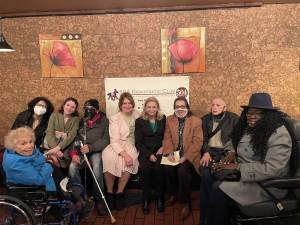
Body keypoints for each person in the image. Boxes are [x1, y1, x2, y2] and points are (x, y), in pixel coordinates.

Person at [199, 93, 296, 225]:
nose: (251, 116)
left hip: (265, 184)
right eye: (249, 112)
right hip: (245, 174)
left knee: (218, 188)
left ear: (268, 115)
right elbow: (234, 142)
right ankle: (205, 220)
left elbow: (274, 169)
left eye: (258, 113)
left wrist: (238, 167)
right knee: (206, 174)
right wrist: (231, 153)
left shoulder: (278, 134)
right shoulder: (248, 128)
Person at [2, 127, 92, 220]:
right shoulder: (15, 164)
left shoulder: (26, 153)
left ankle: (72, 199)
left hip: (39, 179)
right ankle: (69, 206)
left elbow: (40, 159)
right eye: (23, 143)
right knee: (56, 173)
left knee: (61, 177)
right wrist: (48, 165)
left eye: (30, 141)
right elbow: (39, 179)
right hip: (29, 189)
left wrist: (47, 161)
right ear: (13, 147)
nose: (29, 146)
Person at [163, 97, 203, 219]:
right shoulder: (170, 119)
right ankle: (173, 194)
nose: (180, 109)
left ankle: (186, 202)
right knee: (167, 167)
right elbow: (167, 137)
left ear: (187, 107)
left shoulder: (196, 121)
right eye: (177, 106)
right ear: (174, 108)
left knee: (182, 171)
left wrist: (186, 157)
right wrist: (169, 152)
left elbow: (198, 142)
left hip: (190, 154)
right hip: (175, 153)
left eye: (182, 106)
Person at [68, 99, 109, 216]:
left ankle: (99, 199)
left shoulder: (104, 121)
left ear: (97, 110)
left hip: (95, 150)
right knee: (72, 167)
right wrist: (74, 154)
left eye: (90, 109)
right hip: (81, 151)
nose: (88, 111)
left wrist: (91, 147)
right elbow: (75, 138)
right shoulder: (82, 121)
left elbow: (105, 140)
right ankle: (79, 198)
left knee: (97, 167)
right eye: (86, 109)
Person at [102, 92, 140, 210]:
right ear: (120, 105)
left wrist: (128, 156)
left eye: (129, 103)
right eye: (124, 103)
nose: (127, 105)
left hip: (132, 145)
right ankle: (109, 193)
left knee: (130, 160)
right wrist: (124, 154)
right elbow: (114, 140)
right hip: (117, 144)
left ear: (132, 104)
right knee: (109, 158)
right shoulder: (115, 118)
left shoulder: (137, 114)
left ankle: (119, 193)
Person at [135, 97, 166, 214]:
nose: (152, 109)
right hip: (145, 152)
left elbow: (167, 136)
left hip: (160, 151)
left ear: (157, 108)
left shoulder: (163, 119)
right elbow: (138, 142)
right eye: (149, 107)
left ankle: (160, 197)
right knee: (146, 170)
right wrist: (148, 155)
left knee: (159, 169)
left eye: (154, 107)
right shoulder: (139, 121)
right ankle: (145, 198)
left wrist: (164, 147)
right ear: (145, 108)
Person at [200, 98, 239, 167]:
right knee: (204, 168)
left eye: (218, 105)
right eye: (213, 105)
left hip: (226, 151)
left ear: (224, 108)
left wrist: (232, 152)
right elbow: (203, 138)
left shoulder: (234, 119)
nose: (215, 107)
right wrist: (206, 152)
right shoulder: (205, 119)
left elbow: (237, 138)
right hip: (210, 151)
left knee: (225, 171)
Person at [44, 97, 80, 169]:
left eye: (73, 107)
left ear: (75, 109)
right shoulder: (54, 116)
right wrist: (56, 149)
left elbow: (71, 136)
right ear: (63, 105)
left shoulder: (76, 119)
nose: (69, 108)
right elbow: (49, 133)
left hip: (65, 150)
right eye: (68, 105)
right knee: (49, 163)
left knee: (59, 165)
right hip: (50, 147)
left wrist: (59, 147)